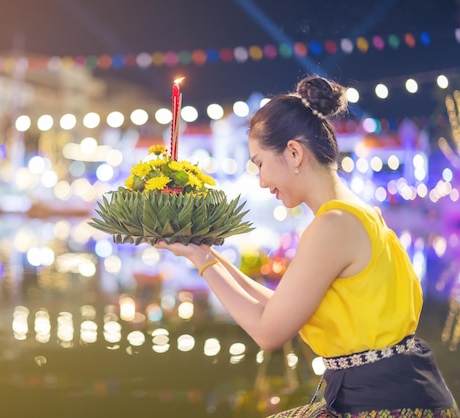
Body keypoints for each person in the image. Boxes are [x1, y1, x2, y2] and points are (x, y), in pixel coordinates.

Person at [155, 75, 459, 416]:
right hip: (399, 396)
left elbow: (269, 332)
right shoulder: (352, 213)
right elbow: (281, 309)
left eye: (259, 163)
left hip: (391, 408)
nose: (261, 180)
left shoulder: (333, 225)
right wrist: (204, 253)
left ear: (294, 153)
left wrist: (202, 261)